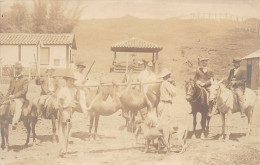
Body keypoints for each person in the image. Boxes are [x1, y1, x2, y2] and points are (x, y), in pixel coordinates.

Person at [156, 68, 176, 152]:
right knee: (166, 124)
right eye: (169, 75)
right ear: (168, 76)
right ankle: (166, 143)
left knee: (161, 123)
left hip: (161, 104)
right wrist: (172, 84)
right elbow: (174, 93)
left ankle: (161, 143)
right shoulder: (167, 84)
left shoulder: (162, 83)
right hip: (166, 104)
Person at [6, 62, 29, 127]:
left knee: (18, 106)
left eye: (18, 69)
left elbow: (24, 91)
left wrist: (15, 95)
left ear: (21, 69)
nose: (17, 70)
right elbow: (10, 89)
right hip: (11, 97)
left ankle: (15, 122)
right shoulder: (12, 79)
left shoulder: (25, 79)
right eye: (16, 68)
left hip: (20, 98)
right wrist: (6, 96)